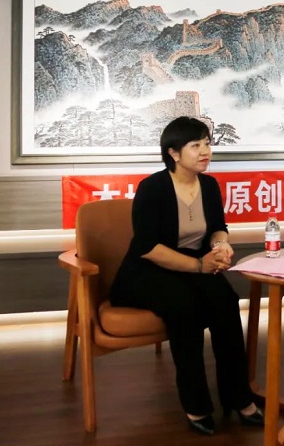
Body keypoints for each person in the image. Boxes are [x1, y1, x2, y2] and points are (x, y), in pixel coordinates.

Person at [109, 116, 263, 436]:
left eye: (207, 143)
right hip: (146, 271)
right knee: (184, 308)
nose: (205, 151)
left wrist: (220, 246)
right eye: (196, 145)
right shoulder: (152, 188)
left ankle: (238, 397)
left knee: (226, 301)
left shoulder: (209, 185)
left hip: (194, 264)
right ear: (174, 153)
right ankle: (196, 406)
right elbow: (147, 247)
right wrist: (199, 266)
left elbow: (218, 228)